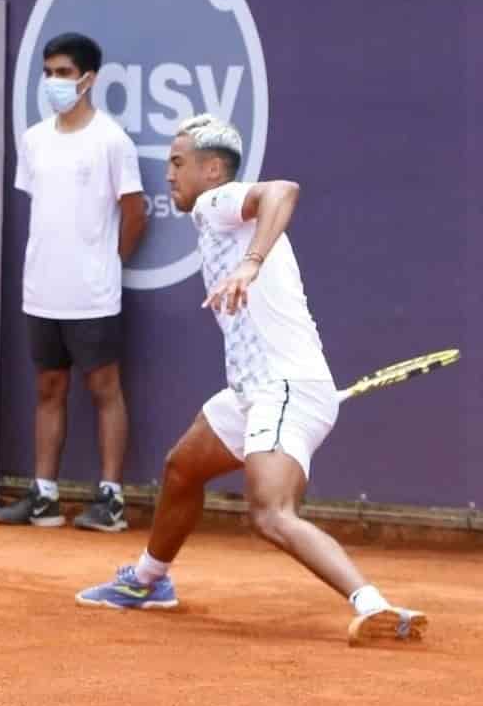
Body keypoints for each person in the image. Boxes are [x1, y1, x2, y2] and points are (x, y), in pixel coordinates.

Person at [75, 114, 427, 645]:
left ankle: (375, 605)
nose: (168, 174)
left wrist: (250, 263)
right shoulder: (214, 218)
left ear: (212, 170)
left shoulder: (221, 204)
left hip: (283, 389)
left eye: (177, 163)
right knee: (183, 469)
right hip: (254, 390)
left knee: (270, 512)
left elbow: (283, 189)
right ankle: (148, 580)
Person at [0, 32, 148, 532]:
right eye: (48, 72)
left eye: (63, 72)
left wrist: (108, 262)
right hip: (41, 288)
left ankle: (111, 500)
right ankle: (44, 497)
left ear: (88, 79)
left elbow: (134, 212)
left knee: (105, 389)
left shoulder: (111, 140)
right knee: (49, 389)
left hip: (93, 293)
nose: (53, 82)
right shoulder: (35, 140)